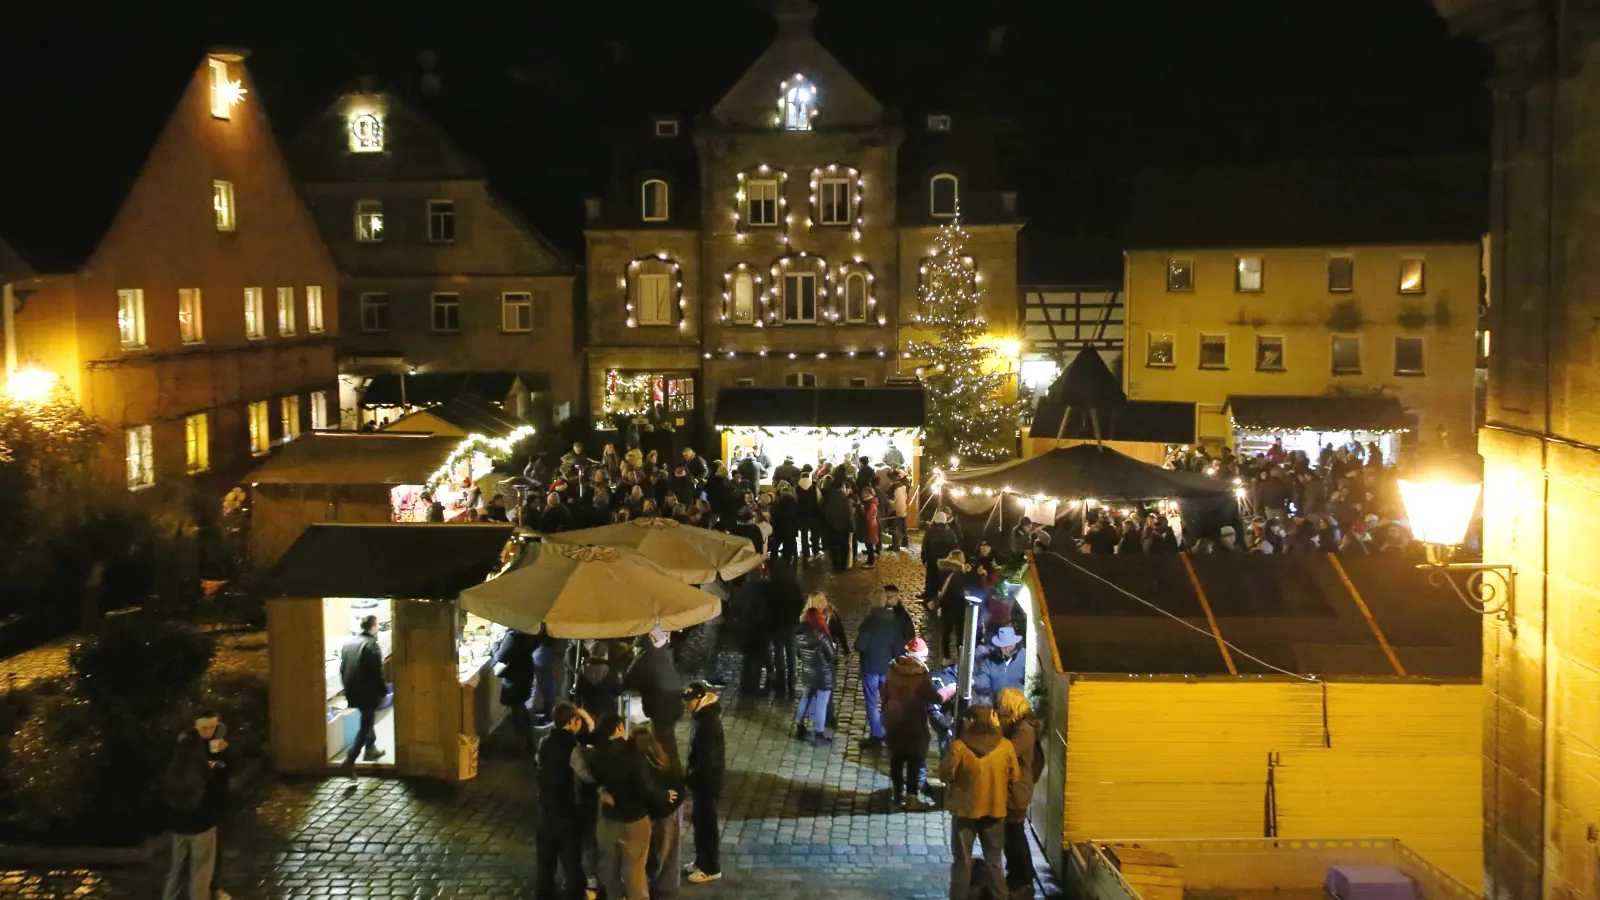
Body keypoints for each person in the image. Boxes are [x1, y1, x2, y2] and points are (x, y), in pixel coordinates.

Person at [579, 713, 676, 900]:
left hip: (609, 818)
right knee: (634, 870)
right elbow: (645, 786)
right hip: (633, 819)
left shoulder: (596, 755)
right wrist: (665, 795)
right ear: (618, 728)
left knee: (611, 868)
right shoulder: (632, 754)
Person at [941, 705, 1025, 900]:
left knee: (962, 861)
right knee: (994, 861)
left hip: (965, 811)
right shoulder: (1005, 746)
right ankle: (1000, 896)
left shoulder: (959, 747)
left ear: (972, 721)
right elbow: (1015, 775)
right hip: (995, 809)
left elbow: (945, 774)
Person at [161, 709, 231, 900]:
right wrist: (217, 767)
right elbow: (215, 787)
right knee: (201, 871)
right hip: (201, 821)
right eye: (204, 727)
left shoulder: (181, 749)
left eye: (212, 727)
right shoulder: (195, 753)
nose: (209, 731)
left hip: (179, 821)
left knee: (177, 869)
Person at [882, 638, 949, 810]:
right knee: (914, 760)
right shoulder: (920, 676)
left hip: (894, 720)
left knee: (896, 758)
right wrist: (949, 690)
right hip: (914, 722)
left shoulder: (893, 669)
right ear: (919, 656)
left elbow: (884, 693)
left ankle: (898, 793)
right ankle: (912, 798)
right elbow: (935, 697)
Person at [537, 703, 593, 900]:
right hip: (567, 807)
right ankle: (575, 893)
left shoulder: (544, 742)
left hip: (546, 804)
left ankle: (545, 892)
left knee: (546, 856)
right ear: (572, 722)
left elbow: (539, 764)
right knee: (570, 856)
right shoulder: (572, 747)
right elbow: (586, 775)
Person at [997, 689, 1043, 899]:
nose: (999, 707)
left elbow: (1008, 753)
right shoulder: (1016, 726)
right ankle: (1016, 876)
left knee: (1016, 835)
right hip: (1013, 788)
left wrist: (997, 731)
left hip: (1017, 789)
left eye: (1002, 704)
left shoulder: (1024, 729)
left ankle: (1024, 880)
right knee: (1010, 834)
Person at [633, 724, 687, 900]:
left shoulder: (652, 765)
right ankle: (661, 889)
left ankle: (664, 893)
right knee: (665, 853)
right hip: (667, 810)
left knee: (665, 854)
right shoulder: (662, 757)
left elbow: (649, 789)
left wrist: (662, 798)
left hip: (666, 813)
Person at [681, 682, 725, 885]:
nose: (686, 705)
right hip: (702, 782)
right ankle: (701, 861)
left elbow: (707, 760)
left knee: (707, 825)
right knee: (700, 823)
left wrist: (691, 779)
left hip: (707, 783)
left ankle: (711, 868)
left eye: (689, 702)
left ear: (699, 699)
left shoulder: (708, 725)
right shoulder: (703, 717)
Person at [623, 626, 685, 765]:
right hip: (675, 702)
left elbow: (627, 683)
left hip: (661, 707)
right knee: (668, 739)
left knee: (663, 746)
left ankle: (670, 773)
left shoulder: (644, 658)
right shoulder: (664, 651)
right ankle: (671, 769)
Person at [854, 589, 902, 750]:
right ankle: (887, 731)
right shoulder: (894, 620)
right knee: (887, 701)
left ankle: (876, 735)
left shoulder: (870, 621)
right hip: (887, 667)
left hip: (870, 667)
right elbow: (898, 647)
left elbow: (861, 645)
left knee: (872, 702)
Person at [339, 614, 387, 770]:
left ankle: (370, 749)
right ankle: (350, 760)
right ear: (373, 627)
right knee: (366, 725)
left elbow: (342, 668)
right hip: (367, 691)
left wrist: (346, 688)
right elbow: (376, 672)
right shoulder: (371, 645)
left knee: (367, 718)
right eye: (376, 625)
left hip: (352, 689)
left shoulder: (348, 643)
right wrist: (383, 691)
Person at [794, 607, 837, 746]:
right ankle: (819, 734)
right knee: (821, 705)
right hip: (823, 676)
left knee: (805, 699)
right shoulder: (821, 635)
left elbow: (799, 655)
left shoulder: (799, 634)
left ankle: (800, 728)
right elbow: (832, 656)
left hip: (808, 673)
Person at [493, 628, 538, 752]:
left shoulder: (514, 635)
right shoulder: (530, 630)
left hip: (515, 677)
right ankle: (529, 740)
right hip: (525, 672)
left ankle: (521, 744)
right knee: (521, 707)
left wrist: (495, 645)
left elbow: (500, 656)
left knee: (517, 709)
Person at [972, 626, 1027, 710]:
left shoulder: (1024, 657)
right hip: (997, 706)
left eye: (1010, 645)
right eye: (1004, 646)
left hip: (1017, 706)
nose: (1007, 649)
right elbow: (985, 679)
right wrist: (973, 681)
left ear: (1015, 643)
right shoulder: (991, 659)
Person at [920, 510, 961, 605]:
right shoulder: (949, 532)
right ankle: (939, 599)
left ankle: (930, 597)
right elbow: (954, 546)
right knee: (941, 579)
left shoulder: (930, 531)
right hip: (944, 561)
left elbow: (925, 545)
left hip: (932, 560)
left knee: (931, 578)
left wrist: (924, 557)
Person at [823, 480, 856, 570]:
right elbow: (849, 515)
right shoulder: (846, 500)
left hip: (832, 527)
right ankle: (843, 566)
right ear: (843, 488)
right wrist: (852, 527)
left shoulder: (830, 498)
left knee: (834, 547)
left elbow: (827, 513)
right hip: (843, 528)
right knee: (843, 548)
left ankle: (835, 565)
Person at [795, 474, 823, 559]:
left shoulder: (796, 488)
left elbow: (795, 501)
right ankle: (815, 551)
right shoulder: (814, 487)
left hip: (802, 515)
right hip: (814, 515)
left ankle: (805, 552)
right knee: (814, 535)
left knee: (804, 535)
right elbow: (819, 499)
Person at [857, 486, 881, 570]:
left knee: (869, 544)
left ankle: (870, 563)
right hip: (869, 526)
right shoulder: (870, 502)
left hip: (869, 526)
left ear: (870, 494)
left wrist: (860, 508)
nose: (864, 494)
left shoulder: (870, 504)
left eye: (866, 493)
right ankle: (870, 561)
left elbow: (867, 516)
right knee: (869, 544)